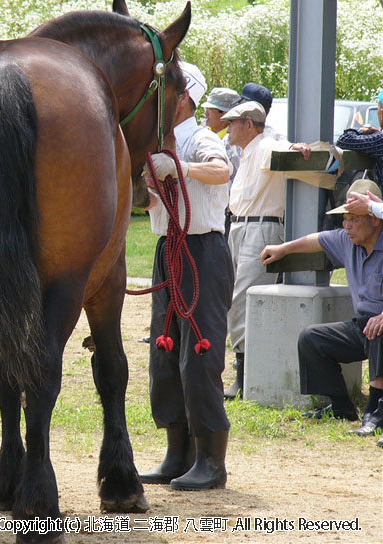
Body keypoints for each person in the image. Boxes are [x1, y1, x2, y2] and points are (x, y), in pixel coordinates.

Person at [139, 61, 234, 490]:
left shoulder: (200, 139)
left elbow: (221, 171)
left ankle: (212, 462)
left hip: (201, 251)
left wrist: (179, 168)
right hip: (169, 250)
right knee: (164, 356)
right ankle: (178, 454)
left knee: (199, 355)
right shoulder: (160, 141)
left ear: (184, 98)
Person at [260, 178, 383, 439]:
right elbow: (315, 240)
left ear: (375, 219)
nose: (346, 225)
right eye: (344, 218)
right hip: (361, 326)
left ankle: (376, 411)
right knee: (311, 338)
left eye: (354, 217)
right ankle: (341, 406)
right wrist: (282, 248)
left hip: (380, 327)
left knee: (377, 329)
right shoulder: (347, 240)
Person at [220, 101, 312, 398]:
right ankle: (243, 369)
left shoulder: (263, 146)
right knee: (236, 297)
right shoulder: (249, 151)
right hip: (241, 226)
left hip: (258, 228)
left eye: (234, 122)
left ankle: (244, 374)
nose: (228, 126)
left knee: (243, 298)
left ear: (249, 124)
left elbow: (283, 148)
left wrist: (296, 147)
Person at [202, 87, 241, 234]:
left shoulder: (233, 144)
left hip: (228, 214)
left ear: (223, 113)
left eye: (210, 109)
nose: (205, 114)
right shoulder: (210, 136)